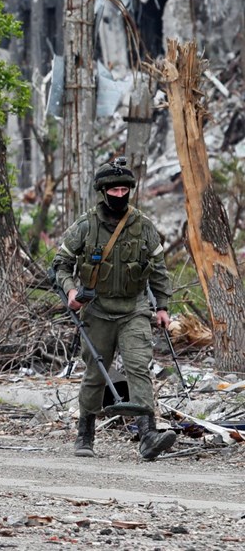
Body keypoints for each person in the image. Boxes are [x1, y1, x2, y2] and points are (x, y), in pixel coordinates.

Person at [51, 158, 176, 461]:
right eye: (114, 190)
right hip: (97, 310)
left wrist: (161, 306)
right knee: (96, 371)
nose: (119, 195)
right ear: (103, 192)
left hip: (134, 308)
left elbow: (158, 269)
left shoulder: (143, 226)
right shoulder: (86, 226)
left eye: (124, 189)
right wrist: (71, 291)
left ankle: (147, 434)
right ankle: (85, 432)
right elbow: (60, 265)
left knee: (138, 367)